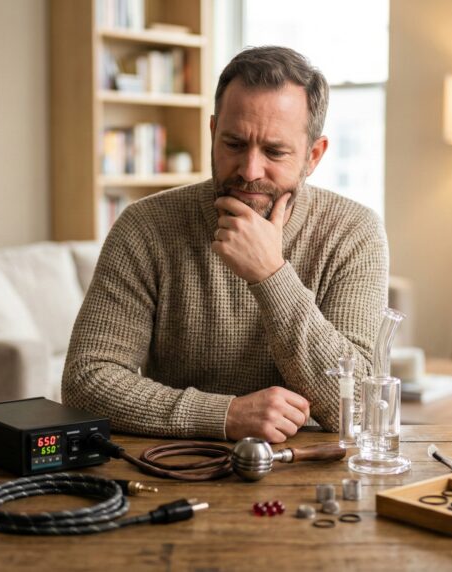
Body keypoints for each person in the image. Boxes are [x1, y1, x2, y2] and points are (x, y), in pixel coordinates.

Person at [63, 46, 388, 443]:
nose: (249, 171)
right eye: (234, 144)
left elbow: (356, 406)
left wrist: (270, 275)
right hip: (177, 465)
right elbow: (87, 379)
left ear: (313, 155)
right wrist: (225, 415)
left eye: (274, 151)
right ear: (213, 132)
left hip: (311, 468)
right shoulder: (145, 226)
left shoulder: (355, 232)